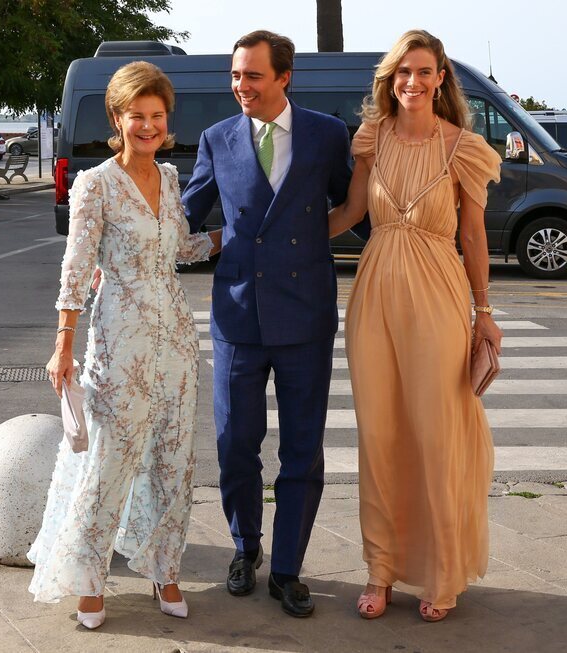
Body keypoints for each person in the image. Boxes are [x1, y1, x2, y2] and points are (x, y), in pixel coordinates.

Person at [27, 61, 221, 629]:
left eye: (157, 116)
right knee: (109, 462)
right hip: (120, 341)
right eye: (137, 115)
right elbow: (76, 268)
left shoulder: (169, 179)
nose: (148, 125)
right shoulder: (95, 185)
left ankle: (166, 569)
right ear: (117, 117)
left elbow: (179, 249)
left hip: (177, 342)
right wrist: (64, 345)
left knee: (172, 459)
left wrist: (233, 234)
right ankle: (89, 580)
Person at [328, 29, 503, 622]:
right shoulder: (371, 137)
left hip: (438, 292)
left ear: (441, 79)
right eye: (402, 72)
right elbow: (353, 212)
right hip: (374, 290)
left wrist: (485, 314)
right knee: (378, 437)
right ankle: (380, 571)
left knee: (435, 435)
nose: (412, 82)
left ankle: (441, 571)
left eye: (423, 72)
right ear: (390, 78)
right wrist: (281, 241)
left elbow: (473, 235)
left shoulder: (464, 149)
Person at [182, 30, 355, 618]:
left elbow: (353, 208)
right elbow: (183, 213)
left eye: (253, 76)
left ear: (285, 78)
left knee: (302, 451)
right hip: (236, 316)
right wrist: (121, 250)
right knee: (235, 446)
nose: (240, 86)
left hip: (305, 316)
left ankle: (286, 570)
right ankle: (244, 547)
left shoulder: (328, 136)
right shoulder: (216, 139)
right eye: (235, 75)